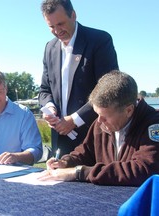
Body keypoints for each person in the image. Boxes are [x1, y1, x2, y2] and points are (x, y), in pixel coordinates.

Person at [38, 71, 159, 186]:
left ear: (129, 110)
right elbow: (85, 153)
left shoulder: (157, 125)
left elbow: (145, 171)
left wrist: (79, 172)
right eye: (97, 114)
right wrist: (65, 162)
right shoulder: (101, 123)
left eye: (105, 116)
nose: (99, 121)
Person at [39, 0, 119, 157]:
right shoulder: (49, 47)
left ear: (73, 15)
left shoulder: (99, 40)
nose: (57, 31)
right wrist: (49, 108)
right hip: (60, 141)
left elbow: (109, 89)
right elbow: (44, 90)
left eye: (60, 24)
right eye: (51, 26)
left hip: (95, 137)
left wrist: (74, 120)